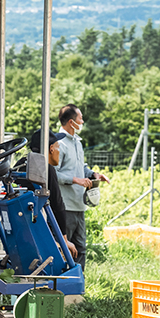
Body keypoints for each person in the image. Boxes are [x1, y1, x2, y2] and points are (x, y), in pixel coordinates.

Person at [54, 105, 109, 268]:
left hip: (79, 205)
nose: (83, 121)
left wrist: (93, 174)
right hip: (65, 206)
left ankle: (79, 286)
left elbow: (81, 167)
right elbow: (53, 173)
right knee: (65, 249)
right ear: (72, 122)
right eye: (80, 118)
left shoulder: (77, 142)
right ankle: (63, 286)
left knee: (81, 249)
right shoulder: (59, 143)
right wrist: (76, 180)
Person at [26, 129, 79, 262]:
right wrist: (64, 240)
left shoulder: (22, 165)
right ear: (51, 149)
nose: (59, 151)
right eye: (58, 147)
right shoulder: (45, 169)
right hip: (39, 230)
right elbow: (57, 204)